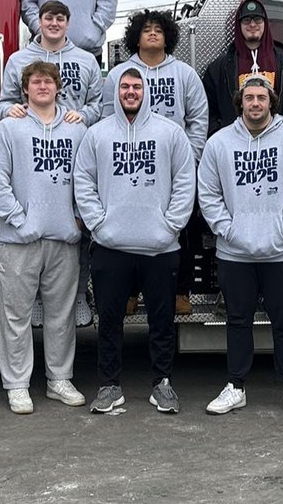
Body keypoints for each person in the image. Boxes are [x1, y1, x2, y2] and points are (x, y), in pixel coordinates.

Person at [73, 68, 196, 415]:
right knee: (109, 322)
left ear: (146, 92)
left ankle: (162, 384)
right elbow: (83, 180)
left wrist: (170, 225)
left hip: (160, 247)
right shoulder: (97, 135)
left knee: (162, 321)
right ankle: (110, 385)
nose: (130, 92)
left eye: (136, 87)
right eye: (125, 86)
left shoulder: (170, 133)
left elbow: (185, 180)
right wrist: (99, 224)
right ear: (116, 91)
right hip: (111, 247)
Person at [200, 74, 283, 419]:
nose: (255, 103)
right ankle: (236, 386)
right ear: (240, 102)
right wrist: (228, 230)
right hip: (235, 252)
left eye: (261, 98)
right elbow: (208, 193)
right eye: (249, 97)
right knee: (238, 321)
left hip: (280, 251)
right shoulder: (219, 143)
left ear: (271, 102)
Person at [0, 61, 88, 415]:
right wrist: (19, 219)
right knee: (16, 316)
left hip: (64, 237)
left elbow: (87, 179)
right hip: (19, 240)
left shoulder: (77, 130)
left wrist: (79, 219)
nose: (42, 86)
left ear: (58, 87)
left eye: (48, 81)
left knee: (61, 314)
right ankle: (17, 385)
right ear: (25, 88)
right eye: (35, 82)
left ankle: (59, 379)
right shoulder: (9, 128)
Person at [0, 0, 104, 327]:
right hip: (32, 146)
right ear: (38, 22)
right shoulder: (18, 60)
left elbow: (99, 103)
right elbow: (4, 102)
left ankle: (78, 296)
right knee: (39, 231)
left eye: (60, 18)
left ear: (68, 23)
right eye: (48, 18)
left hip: (74, 145)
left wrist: (83, 115)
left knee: (75, 223)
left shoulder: (86, 60)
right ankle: (41, 301)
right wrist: (10, 111)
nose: (54, 23)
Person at [102, 9, 209, 315]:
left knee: (183, 227)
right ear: (135, 37)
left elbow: (198, 119)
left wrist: (189, 158)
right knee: (131, 226)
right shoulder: (119, 75)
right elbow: (108, 116)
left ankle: (180, 291)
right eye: (146, 29)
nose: (152, 33)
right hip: (132, 163)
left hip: (175, 165)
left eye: (158, 30)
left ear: (168, 37)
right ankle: (131, 292)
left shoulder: (185, 75)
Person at [202, 0, 283, 139]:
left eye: (257, 19)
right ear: (238, 26)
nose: (252, 24)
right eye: (246, 20)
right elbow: (207, 109)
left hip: (279, 143)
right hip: (237, 147)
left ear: (265, 23)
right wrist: (222, 137)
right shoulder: (221, 67)